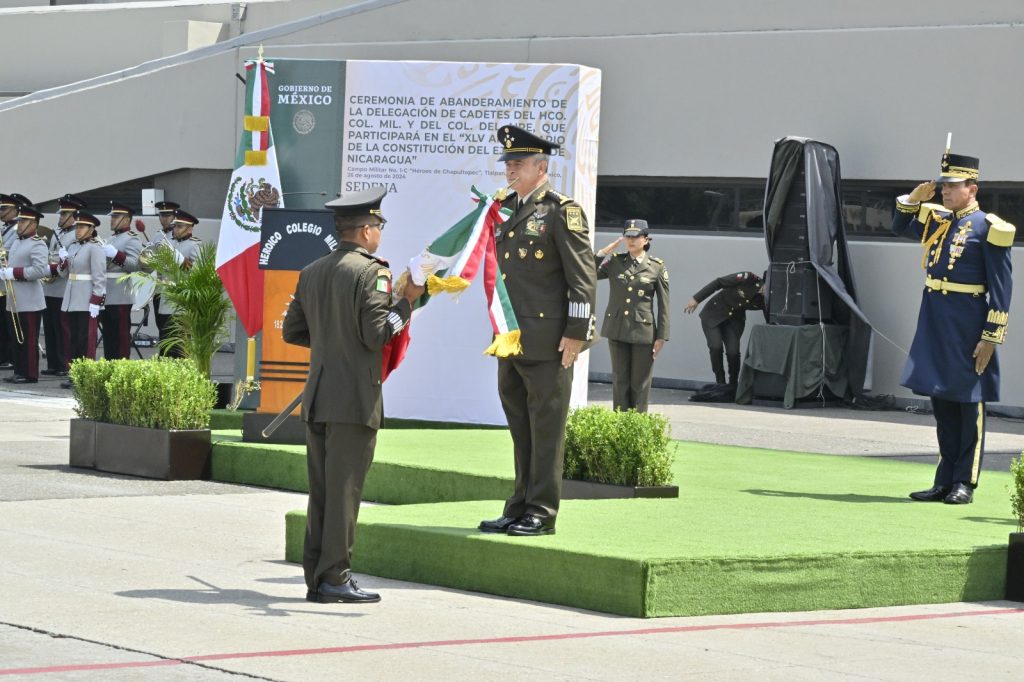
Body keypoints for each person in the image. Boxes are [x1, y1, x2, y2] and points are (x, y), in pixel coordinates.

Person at [282, 186, 424, 604]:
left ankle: (318, 576)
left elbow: (293, 331)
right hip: (354, 399)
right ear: (364, 231)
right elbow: (376, 333)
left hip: (321, 395)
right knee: (344, 492)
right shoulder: (373, 272)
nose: (379, 233)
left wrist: (332, 342)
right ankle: (336, 578)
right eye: (378, 226)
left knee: (323, 491)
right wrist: (406, 304)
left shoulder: (312, 270)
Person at [478, 124, 598, 537]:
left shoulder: (562, 211)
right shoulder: (505, 207)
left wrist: (576, 333)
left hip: (549, 342)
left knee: (546, 429)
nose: (509, 170)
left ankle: (542, 512)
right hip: (511, 338)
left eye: (517, 163)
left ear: (541, 166)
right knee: (520, 428)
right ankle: (518, 505)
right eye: (507, 163)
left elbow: (582, 278)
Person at [893, 149, 1013, 505]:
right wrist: (912, 200)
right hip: (935, 320)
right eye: (943, 185)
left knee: (968, 405)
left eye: (953, 185)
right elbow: (899, 226)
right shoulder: (939, 221)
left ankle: (965, 481)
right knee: (942, 404)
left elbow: (1002, 289)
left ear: (972, 188)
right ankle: (944, 479)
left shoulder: (989, 228)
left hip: (968, 324)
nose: (945, 191)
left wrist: (991, 337)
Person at [594, 219, 670, 412]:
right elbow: (588, 273)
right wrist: (603, 253)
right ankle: (620, 426)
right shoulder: (615, 261)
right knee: (620, 381)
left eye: (636, 236)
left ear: (646, 239)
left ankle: (637, 427)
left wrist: (661, 336)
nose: (631, 240)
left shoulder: (656, 266)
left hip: (642, 332)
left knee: (640, 383)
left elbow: (664, 304)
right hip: (617, 328)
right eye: (628, 236)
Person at [684, 271, 765, 388]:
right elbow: (719, 282)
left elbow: (771, 316)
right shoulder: (748, 278)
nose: (765, 292)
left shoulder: (767, 300)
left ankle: (733, 385)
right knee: (716, 346)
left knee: (733, 352)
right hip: (713, 313)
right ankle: (720, 383)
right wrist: (696, 299)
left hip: (734, 321)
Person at [0, 205, 48, 384]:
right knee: (16, 338)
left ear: (33, 224)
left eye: (23, 221)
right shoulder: (19, 242)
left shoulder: (38, 243)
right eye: (19, 220)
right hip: (14, 298)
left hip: (29, 299)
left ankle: (29, 374)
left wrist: (14, 273)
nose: (19, 224)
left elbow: (39, 270)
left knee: (28, 339)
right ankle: (19, 370)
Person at [58, 210, 106, 388]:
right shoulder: (73, 246)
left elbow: (99, 278)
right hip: (71, 299)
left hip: (86, 300)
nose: (77, 230)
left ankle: (85, 375)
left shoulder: (95, 248)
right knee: (72, 339)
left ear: (91, 229)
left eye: (82, 226)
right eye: (77, 226)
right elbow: (64, 274)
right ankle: (74, 373)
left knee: (84, 340)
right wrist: (63, 261)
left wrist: (96, 301)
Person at [41, 194, 87, 376]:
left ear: (73, 216)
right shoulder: (58, 233)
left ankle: (63, 364)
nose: (60, 218)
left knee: (63, 330)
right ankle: (53, 363)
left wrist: (50, 266)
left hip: (63, 286)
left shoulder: (75, 236)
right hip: (50, 286)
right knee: (50, 327)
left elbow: (68, 262)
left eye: (63, 214)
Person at [99, 202, 143, 360]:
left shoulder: (132, 239)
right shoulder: (110, 238)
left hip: (120, 293)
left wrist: (116, 254)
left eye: (116, 217)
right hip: (106, 292)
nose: (111, 220)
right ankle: (110, 366)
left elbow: (135, 265)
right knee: (109, 335)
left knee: (121, 335)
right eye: (112, 216)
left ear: (126, 219)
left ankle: (122, 366)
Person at [155, 209, 202, 356]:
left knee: (179, 346)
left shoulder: (195, 245)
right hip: (165, 300)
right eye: (175, 226)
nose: (175, 229)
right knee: (165, 344)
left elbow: (198, 272)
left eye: (179, 226)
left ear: (190, 228)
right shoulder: (168, 243)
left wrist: (182, 261)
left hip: (181, 303)